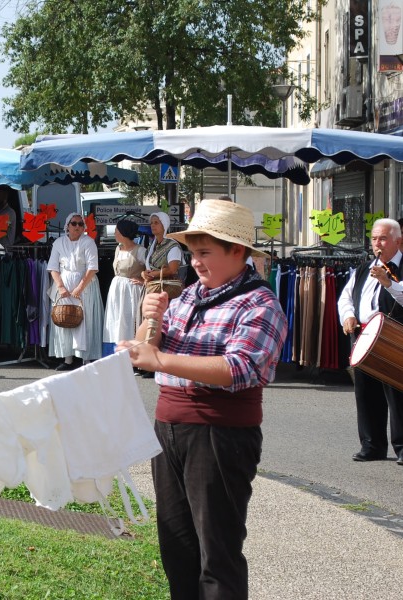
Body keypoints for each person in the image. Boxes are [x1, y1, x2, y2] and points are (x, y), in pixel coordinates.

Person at [118, 199, 287, 599]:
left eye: (205, 252)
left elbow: (240, 368)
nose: (195, 261)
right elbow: (147, 353)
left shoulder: (260, 303)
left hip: (219, 433)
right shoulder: (190, 296)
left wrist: (160, 357)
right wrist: (149, 318)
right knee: (176, 549)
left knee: (218, 554)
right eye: (193, 253)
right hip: (169, 429)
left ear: (239, 252)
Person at [338, 218, 403, 464]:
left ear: (398, 241)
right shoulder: (364, 268)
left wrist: (389, 283)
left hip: (394, 335)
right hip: (364, 336)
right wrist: (348, 315)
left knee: (398, 394)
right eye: (374, 239)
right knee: (366, 393)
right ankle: (372, 445)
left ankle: (402, 446)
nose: (377, 244)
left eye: (383, 239)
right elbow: (345, 296)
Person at [47, 211, 104, 370]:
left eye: (80, 224)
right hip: (64, 284)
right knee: (64, 318)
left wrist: (80, 288)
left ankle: (86, 359)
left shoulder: (88, 242)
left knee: (85, 320)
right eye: (74, 223)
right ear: (68, 226)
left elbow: (92, 268)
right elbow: (53, 267)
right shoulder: (58, 243)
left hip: (85, 286)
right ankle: (68, 359)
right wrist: (60, 287)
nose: (77, 227)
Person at [103, 219, 146, 347]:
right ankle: (118, 351)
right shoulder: (118, 248)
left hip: (131, 291)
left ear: (123, 232)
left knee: (128, 320)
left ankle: (132, 353)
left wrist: (143, 280)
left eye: (116, 231)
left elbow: (152, 269)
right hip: (117, 290)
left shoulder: (140, 251)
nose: (115, 233)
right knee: (116, 321)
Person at [141, 211, 183, 300]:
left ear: (164, 224)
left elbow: (172, 270)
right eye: (151, 223)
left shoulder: (172, 246)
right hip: (151, 289)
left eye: (156, 223)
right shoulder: (151, 247)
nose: (152, 225)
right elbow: (148, 268)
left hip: (167, 291)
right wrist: (143, 274)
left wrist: (153, 274)